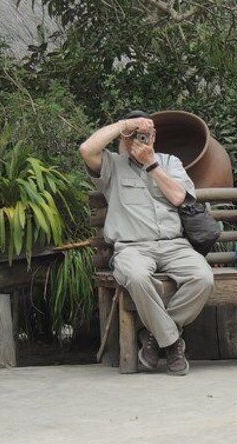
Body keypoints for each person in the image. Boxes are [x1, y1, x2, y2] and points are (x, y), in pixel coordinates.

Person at [79, 111, 214, 376]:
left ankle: (153, 339)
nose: (138, 139)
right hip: (132, 247)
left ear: (154, 137)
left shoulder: (169, 162)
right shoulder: (112, 165)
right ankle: (173, 344)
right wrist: (123, 126)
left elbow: (180, 198)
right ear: (122, 137)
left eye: (145, 134)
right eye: (132, 135)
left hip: (174, 245)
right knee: (137, 277)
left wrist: (152, 165)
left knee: (203, 278)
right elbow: (86, 149)